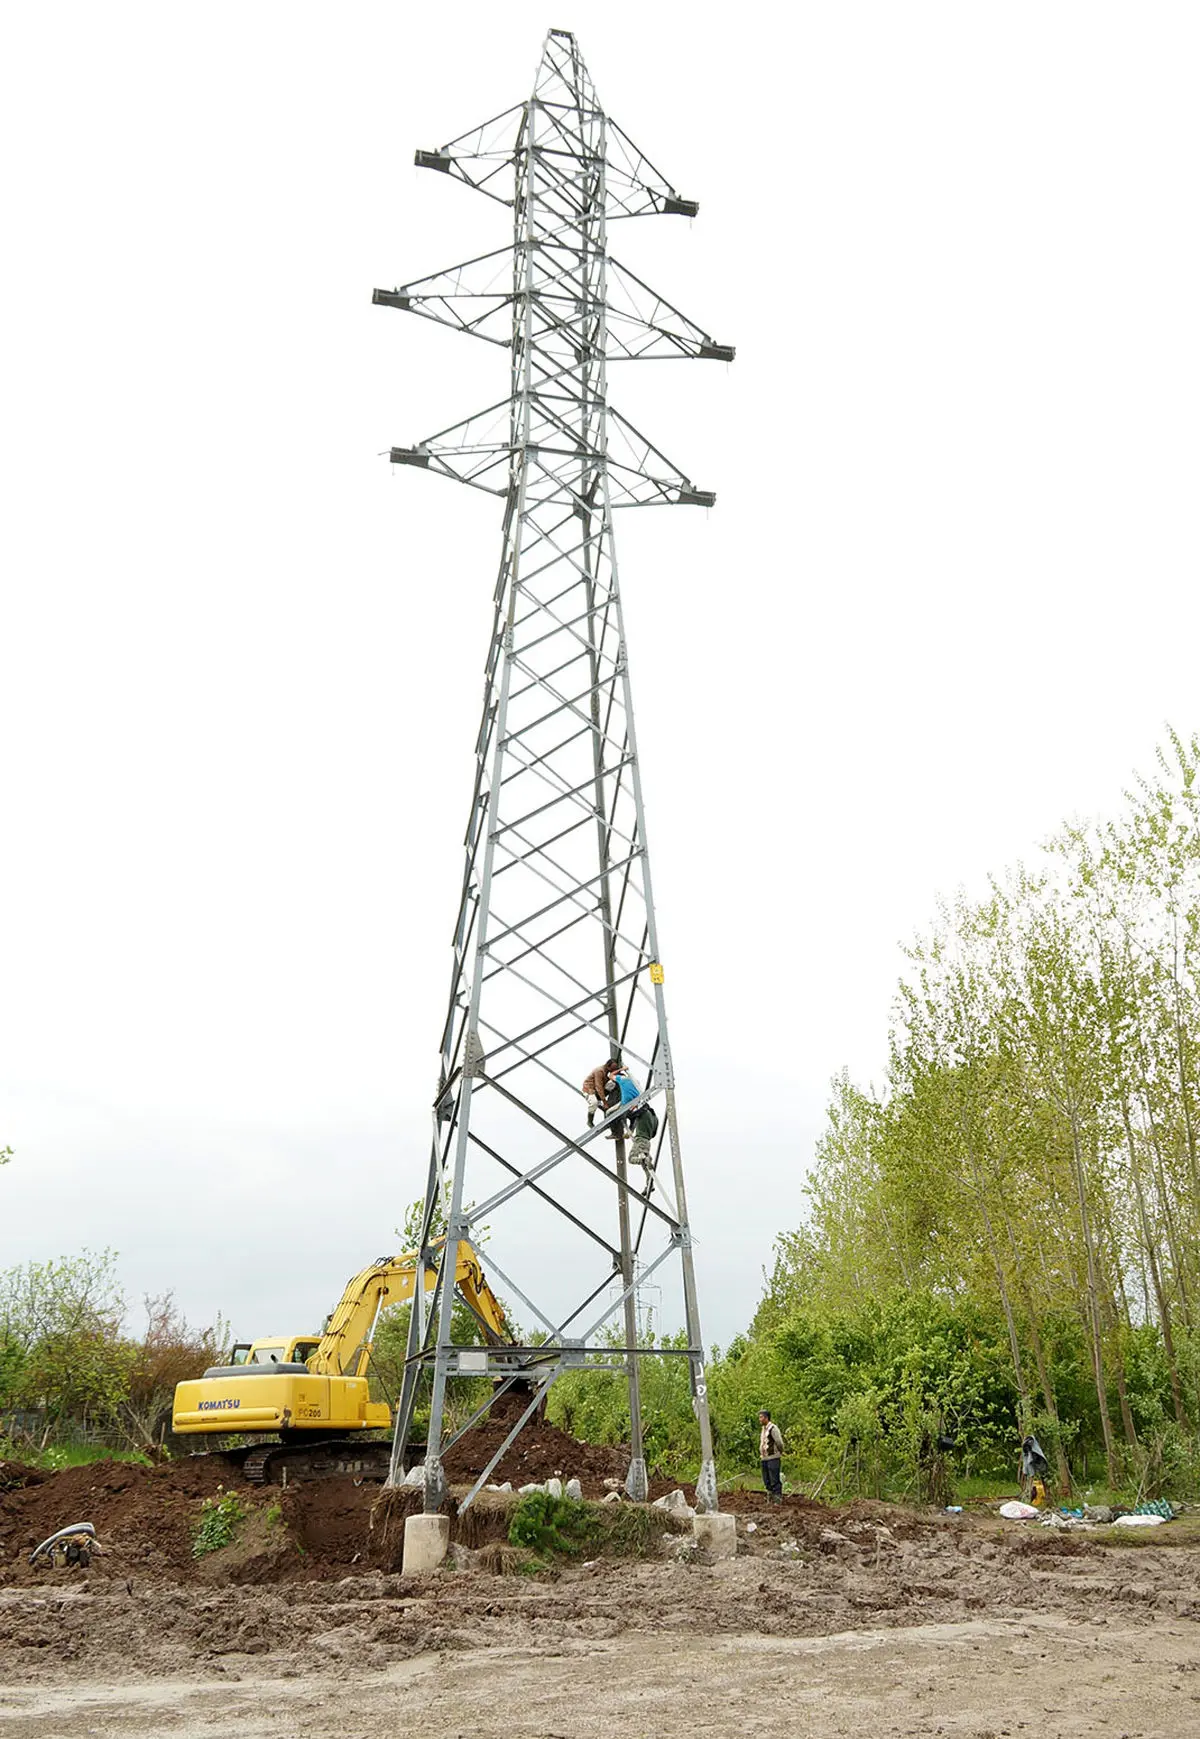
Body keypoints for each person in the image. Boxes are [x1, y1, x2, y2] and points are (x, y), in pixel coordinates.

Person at [581, 1059, 620, 1129]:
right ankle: (590, 1121)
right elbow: (599, 1087)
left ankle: (607, 1103)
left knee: (613, 1084)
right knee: (594, 1103)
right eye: (612, 1069)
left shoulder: (607, 1071)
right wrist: (604, 1102)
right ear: (608, 1067)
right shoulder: (599, 1071)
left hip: (599, 1090)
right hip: (590, 1090)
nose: (612, 1071)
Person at [607, 1065, 641, 1140]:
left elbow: (611, 1075)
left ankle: (614, 1133)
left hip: (625, 1104)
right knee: (633, 1117)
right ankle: (631, 1130)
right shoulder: (636, 1081)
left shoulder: (621, 1079)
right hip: (635, 1104)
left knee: (609, 1113)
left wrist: (622, 1069)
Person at [759, 1409, 784, 1503]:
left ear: (766, 1418)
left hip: (773, 1457)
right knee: (767, 1480)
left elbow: (779, 1442)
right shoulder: (763, 1429)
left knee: (774, 1480)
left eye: (761, 1417)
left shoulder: (773, 1428)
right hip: (764, 1458)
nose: (760, 1419)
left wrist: (780, 1451)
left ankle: (777, 1500)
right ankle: (770, 1499)